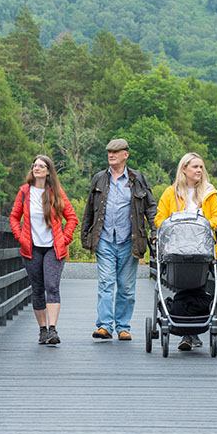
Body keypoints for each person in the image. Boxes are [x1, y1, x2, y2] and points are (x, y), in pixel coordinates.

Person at [81, 138, 157, 340]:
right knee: (106, 283)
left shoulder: (137, 179)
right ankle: (105, 325)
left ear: (126, 155)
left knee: (126, 287)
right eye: (109, 152)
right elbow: (89, 209)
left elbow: (150, 206)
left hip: (129, 240)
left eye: (115, 152)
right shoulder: (99, 178)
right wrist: (85, 235)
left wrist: (155, 231)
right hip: (104, 239)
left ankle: (123, 327)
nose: (111, 155)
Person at [155, 152, 217, 351]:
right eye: (195, 167)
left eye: (201, 167)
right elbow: (160, 218)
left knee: (198, 285)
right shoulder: (170, 193)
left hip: (202, 249)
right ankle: (188, 332)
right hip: (177, 249)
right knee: (184, 285)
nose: (199, 171)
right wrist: (175, 226)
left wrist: (203, 224)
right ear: (184, 169)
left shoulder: (209, 194)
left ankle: (190, 332)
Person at [10, 155, 78, 344]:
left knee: (52, 286)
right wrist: (20, 236)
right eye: (35, 165)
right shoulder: (24, 192)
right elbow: (14, 217)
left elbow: (72, 218)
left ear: (48, 171)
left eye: (41, 166)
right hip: (31, 248)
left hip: (53, 248)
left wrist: (65, 239)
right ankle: (42, 330)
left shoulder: (56, 192)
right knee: (38, 288)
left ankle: (53, 330)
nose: (37, 168)